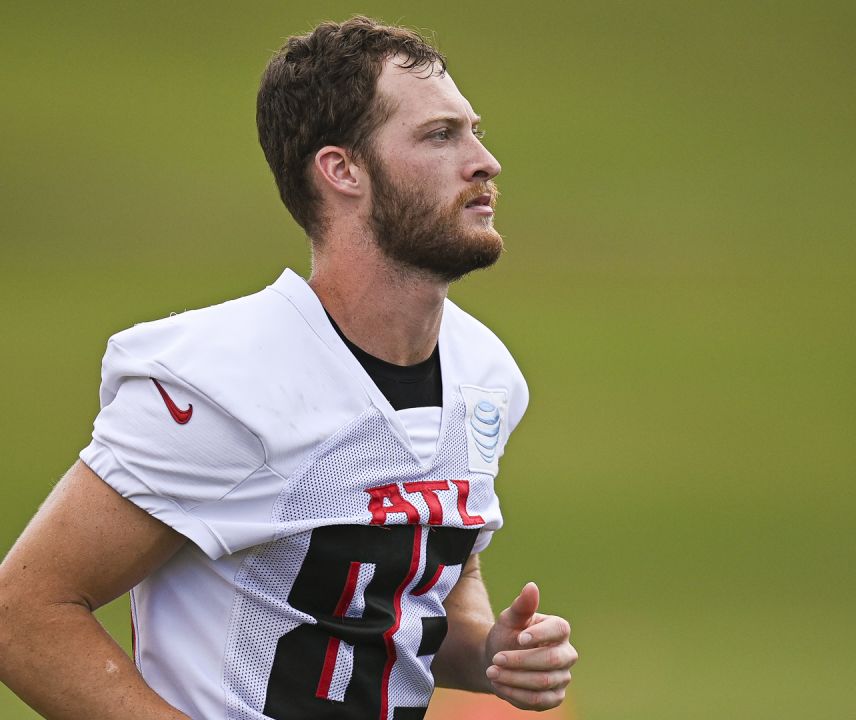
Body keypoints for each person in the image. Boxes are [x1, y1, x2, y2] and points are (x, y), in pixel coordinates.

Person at [0, 16, 576, 720]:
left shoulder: (486, 372)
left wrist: (493, 654)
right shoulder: (225, 383)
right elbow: (23, 612)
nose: (484, 161)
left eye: (474, 130)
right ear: (342, 170)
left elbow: (420, 582)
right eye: (439, 136)